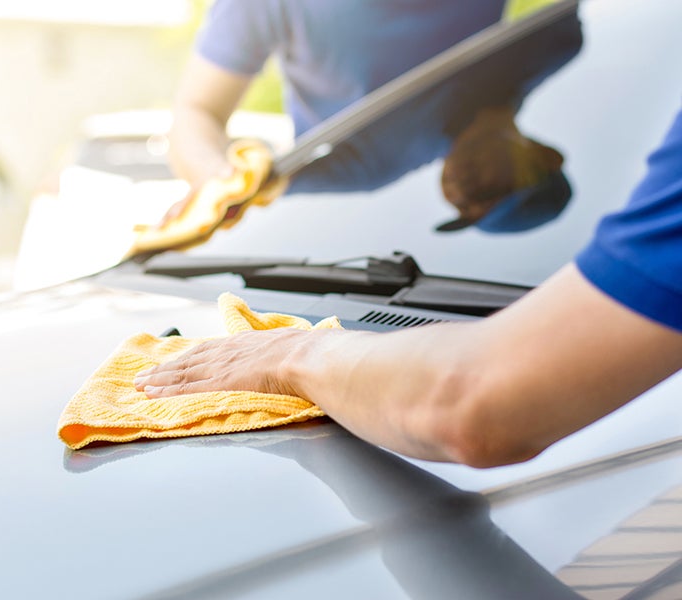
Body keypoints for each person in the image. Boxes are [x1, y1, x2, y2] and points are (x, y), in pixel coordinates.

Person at [135, 104, 682, 468]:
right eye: (475, 201)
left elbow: (475, 402)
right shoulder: (543, 49)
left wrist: (294, 351)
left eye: (488, 198)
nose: (463, 189)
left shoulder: (378, 160)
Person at [166, 0, 583, 233]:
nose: (463, 194)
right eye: (494, 192)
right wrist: (213, 178)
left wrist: (226, 191)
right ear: (548, 157)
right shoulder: (557, 46)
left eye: (463, 210)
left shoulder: (368, 167)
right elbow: (196, 112)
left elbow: (255, 188)